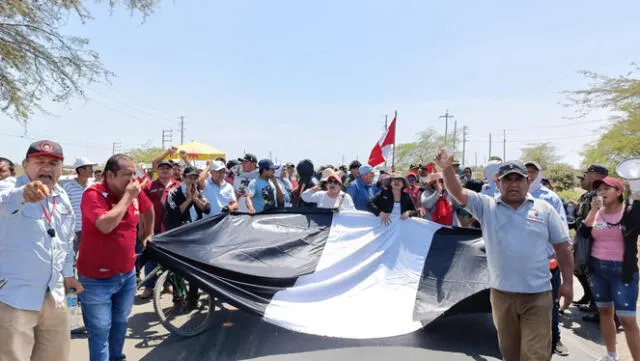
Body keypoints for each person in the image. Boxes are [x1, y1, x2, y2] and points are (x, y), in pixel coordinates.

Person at [435, 149, 574, 361]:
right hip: (502, 296)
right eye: (507, 179)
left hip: (537, 295)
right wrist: (446, 170)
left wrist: (568, 283)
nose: (513, 184)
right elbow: (458, 192)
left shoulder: (544, 209)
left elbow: (563, 247)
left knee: (535, 354)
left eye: (518, 179)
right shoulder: (486, 206)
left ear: (528, 181)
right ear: (498, 183)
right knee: (510, 354)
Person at [0, 140, 82, 361]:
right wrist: (23, 195)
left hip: (53, 295)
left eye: (54, 163)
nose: (47, 168)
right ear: (25, 165)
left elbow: (64, 240)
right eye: (40, 162)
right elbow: (3, 201)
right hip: (14, 298)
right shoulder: (9, 186)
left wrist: (68, 275)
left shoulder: (61, 196)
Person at [77, 154, 154, 361]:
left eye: (134, 174)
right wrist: (128, 197)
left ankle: (116, 357)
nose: (133, 180)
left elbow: (149, 209)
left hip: (126, 275)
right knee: (100, 329)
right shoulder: (93, 194)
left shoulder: (134, 192)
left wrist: (148, 233)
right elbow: (105, 225)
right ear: (110, 175)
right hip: (95, 279)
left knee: (120, 323)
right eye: (127, 175)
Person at [578, 176, 640, 361]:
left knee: (627, 320)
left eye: (607, 189)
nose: (602, 192)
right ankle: (611, 355)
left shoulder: (629, 213)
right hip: (597, 269)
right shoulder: (597, 212)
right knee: (605, 313)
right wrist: (594, 210)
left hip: (622, 271)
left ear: (619, 192)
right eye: (599, 189)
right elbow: (583, 231)